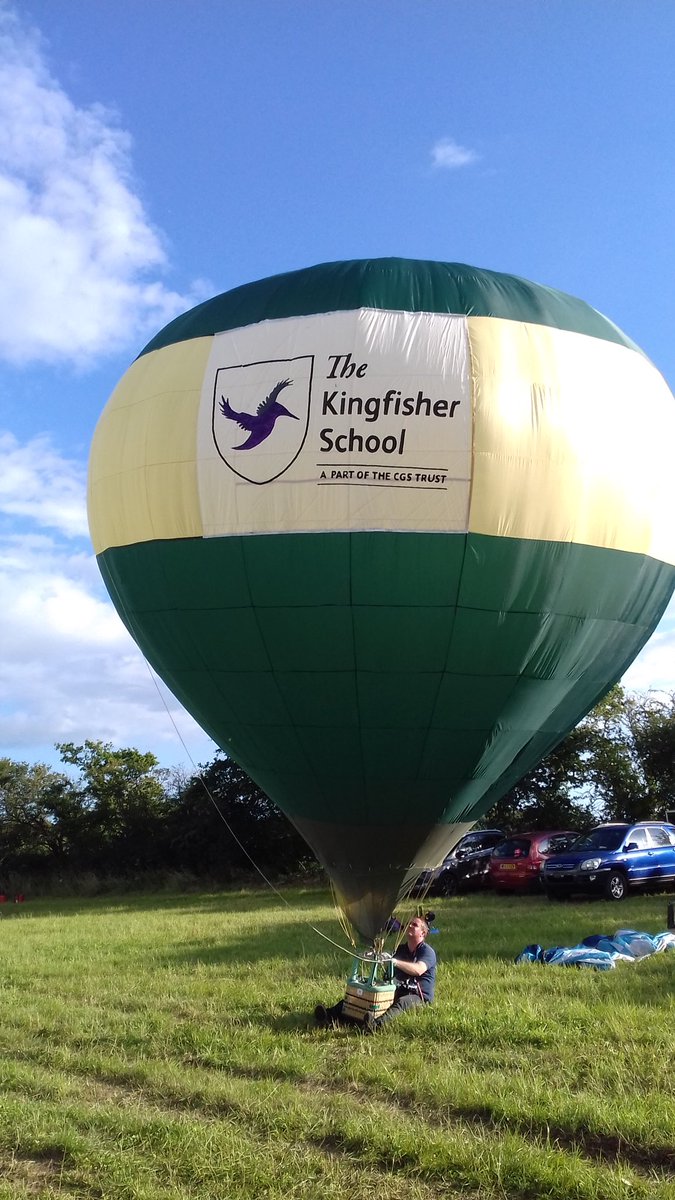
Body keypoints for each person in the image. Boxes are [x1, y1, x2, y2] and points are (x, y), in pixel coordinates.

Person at [315, 915, 437, 1033]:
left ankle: (375, 1026)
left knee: (402, 1003)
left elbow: (419, 969)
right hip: (399, 989)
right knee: (367, 995)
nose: (410, 926)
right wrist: (375, 956)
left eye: (414, 925)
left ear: (423, 933)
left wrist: (394, 962)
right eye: (409, 924)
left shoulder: (427, 951)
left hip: (418, 996)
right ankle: (330, 1015)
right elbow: (388, 967)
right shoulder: (401, 949)